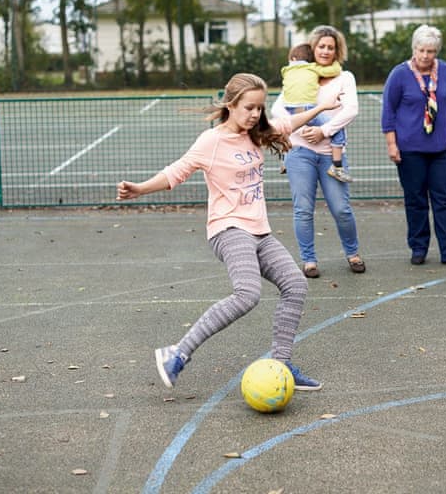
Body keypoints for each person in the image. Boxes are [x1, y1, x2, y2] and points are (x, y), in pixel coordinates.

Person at [116, 73, 339, 391]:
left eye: (260, 108)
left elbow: (287, 125)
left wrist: (321, 107)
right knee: (247, 294)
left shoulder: (256, 133)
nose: (255, 114)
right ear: (231, 104)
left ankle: (282, 363)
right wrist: (139, 189)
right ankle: (176, 354)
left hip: (259, 230)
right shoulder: (212, 141)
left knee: (295, 286)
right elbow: (176, 171)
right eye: (249, 107)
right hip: (228, 228)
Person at [271, 25, 365, 278]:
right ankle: (309, 260)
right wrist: (302, 130)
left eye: (330, 47)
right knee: (303, 209)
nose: (325, 51)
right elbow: (278, 109)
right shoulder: (301, 74)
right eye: (321, 46)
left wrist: (324, 131)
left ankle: (353, 253)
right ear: (313, 48)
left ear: (337, 51)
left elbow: (351, 109)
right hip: (300, 152)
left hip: (330, 153)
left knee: (341, 209)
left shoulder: (345, 78)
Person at [381, 24, 446, 267]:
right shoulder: (399, 74)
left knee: (443, 199)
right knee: (416, 199)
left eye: (431, 51)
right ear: (414, 49)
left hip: (439, 147)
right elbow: (388, 110)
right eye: (421, 50)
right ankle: (418, 247)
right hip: (410, 149)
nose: (426, 56)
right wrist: (391, 144)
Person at [279, 43, 351, 182]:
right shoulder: (312, 68)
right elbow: (334, 70)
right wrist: (334, 61)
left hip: (289, 108)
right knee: (338, 131)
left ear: (293, 59)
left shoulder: (286, 70)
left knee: (287, 130)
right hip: (307, 108)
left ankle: (284, 159)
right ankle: (337, 167)